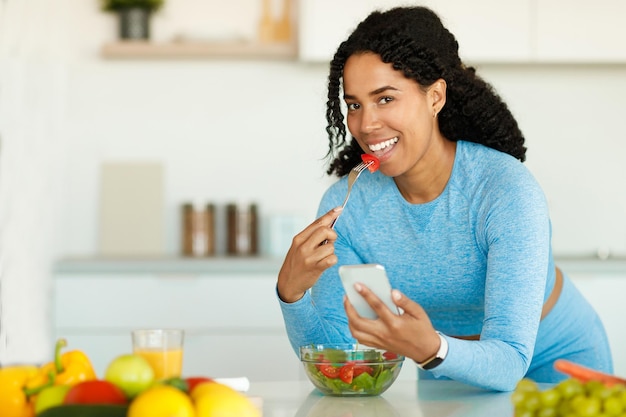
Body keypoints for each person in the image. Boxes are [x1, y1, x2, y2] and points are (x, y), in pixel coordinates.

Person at [276, 6, 613, 391]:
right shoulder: (348, 206)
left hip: (559, 365)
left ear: (435, 97)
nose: (366, 124)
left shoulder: (504, 191)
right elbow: (342, 361)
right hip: (444, 367)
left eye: (385, 99)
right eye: (354, 104)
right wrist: (292, 294)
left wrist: (431, 348)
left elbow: (508, 360)